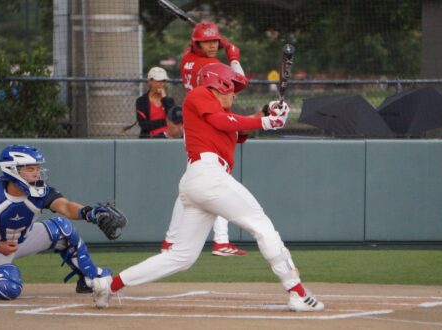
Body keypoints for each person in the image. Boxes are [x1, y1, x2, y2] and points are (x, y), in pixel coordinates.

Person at [92, 63, 324, 313]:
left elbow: (237, 130)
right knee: (262, 226)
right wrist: (267, 122)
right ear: (218, 83)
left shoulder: (219, 113)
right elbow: (224, 122)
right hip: (208, 175)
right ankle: (297, 292)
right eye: (231, 88)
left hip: (201, 181)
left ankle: (108, 285)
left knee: (181, 257)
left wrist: (268, 111)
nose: (234, 94)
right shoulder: (200, 94)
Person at [0, 145, 126, 300]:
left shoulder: (39, 191)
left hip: (19, 239)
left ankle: (89, 278)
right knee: (8, 287)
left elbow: (66, 207)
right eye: (30, 169)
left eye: (37, 168)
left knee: (64, 228)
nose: (37, 173)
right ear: (13, 170)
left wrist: (90, 213)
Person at [161, 21, 250, 256]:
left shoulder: (186, 60)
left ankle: (171, 241)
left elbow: (194, 54)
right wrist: (233, 56)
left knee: (191, 184)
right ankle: (221, 241)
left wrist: (215, 43)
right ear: (196, 43)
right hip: (209, 121)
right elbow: (240, 83)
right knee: (217, 181)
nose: (211, 46)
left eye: (214, 41)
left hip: (195, 123)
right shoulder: (211, 64)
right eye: (205, 41)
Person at [126, 67, 176, 138]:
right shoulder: (142, 101)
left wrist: (164, 98)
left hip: (168, 139)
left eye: (163, 81)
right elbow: (144, 125)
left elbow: (174, 120)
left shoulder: (169, 101)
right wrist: (165, 122)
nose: (161, 84)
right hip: (149, 139)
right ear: (150, 81)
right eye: (158, 81)